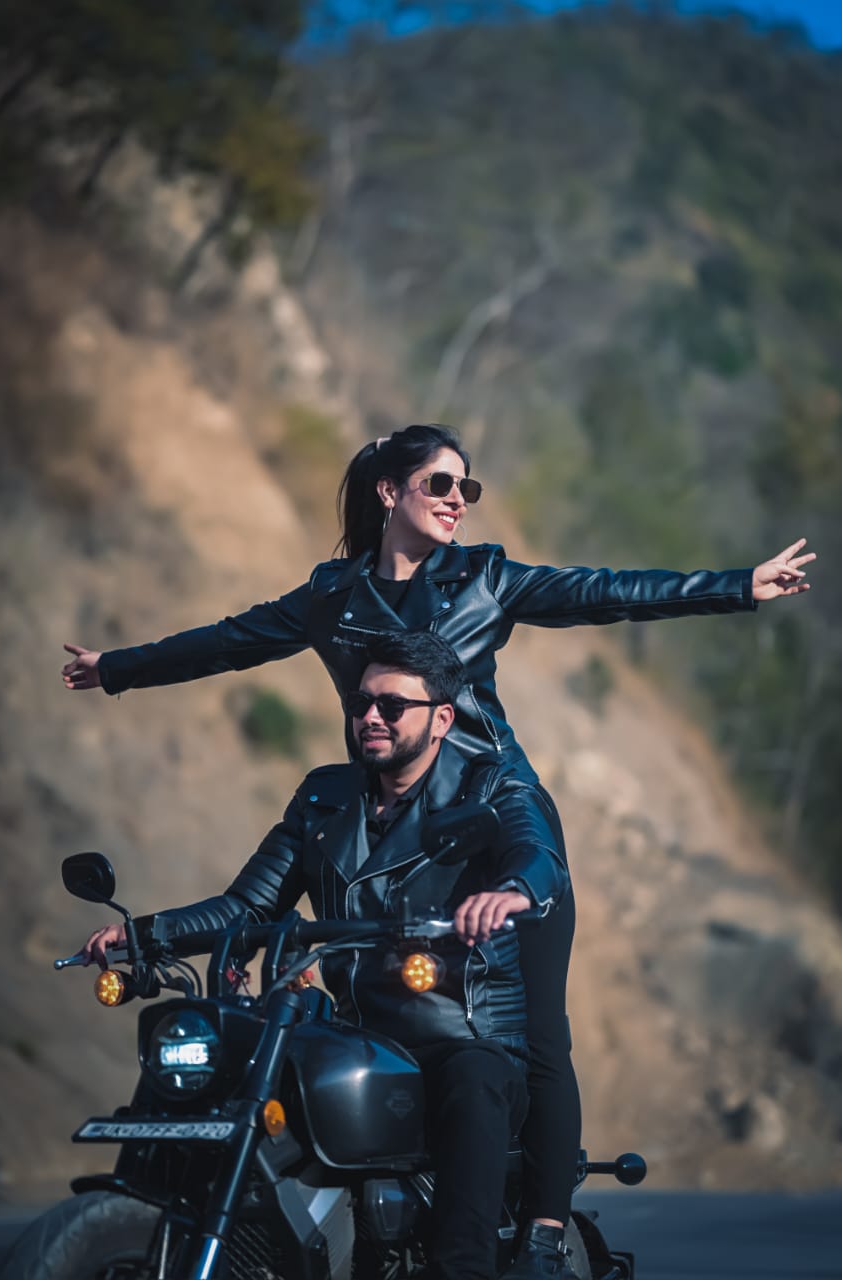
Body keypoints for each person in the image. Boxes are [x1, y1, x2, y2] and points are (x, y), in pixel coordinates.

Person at [63, 422, 815, 1280]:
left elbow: (602, 590)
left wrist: (736, 588)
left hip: (492, 826)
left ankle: (535, 1233)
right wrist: (116, 668)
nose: (459, 500)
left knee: (528, 1044)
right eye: (441, 484)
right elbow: (230, 641)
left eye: (468, 488)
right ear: (391, 493)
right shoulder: (331, 598)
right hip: (383, 816)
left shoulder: (486, 578)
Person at [81, 632, 570, 1280]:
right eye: (361, 702)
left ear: (441, 718)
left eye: (392, 706)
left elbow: (538, 855)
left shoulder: (491, 786)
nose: (370, 716)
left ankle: (463, 1268)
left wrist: (510, 890)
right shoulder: (323, 797)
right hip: (354, 1032)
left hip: (460, 1033)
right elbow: (247, 906)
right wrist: (144, 934)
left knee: (473, 1084)